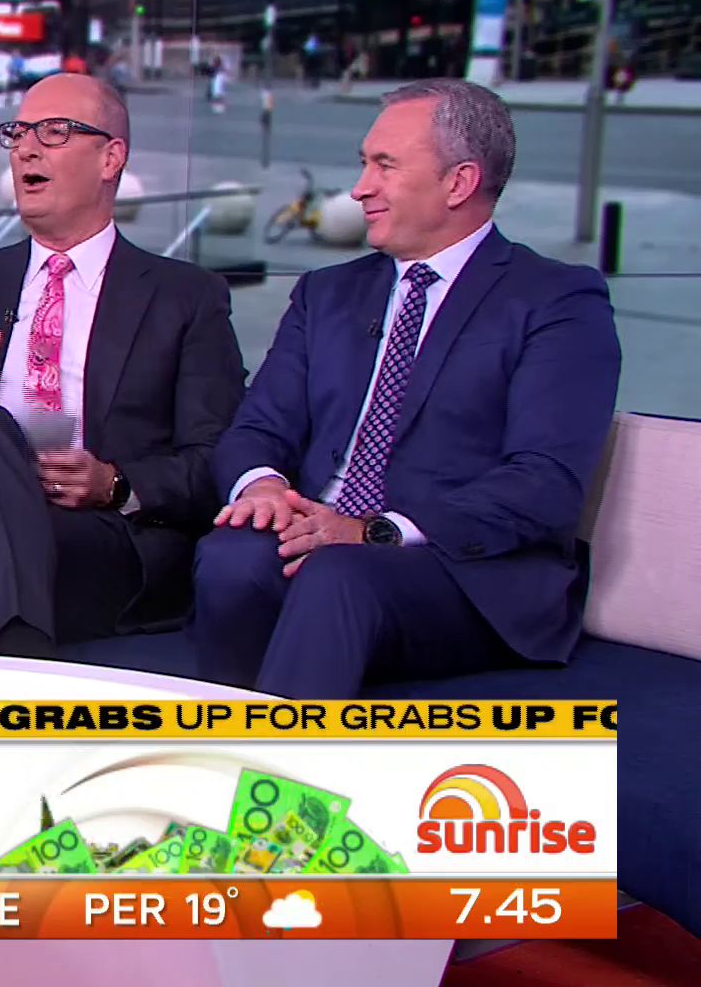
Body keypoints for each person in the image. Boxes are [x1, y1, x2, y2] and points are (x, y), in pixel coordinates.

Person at [187, 80, 622, 699]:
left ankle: (280, 767)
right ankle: (223, 745)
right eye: (364, 164)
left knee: (339, 575)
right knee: (231, 559)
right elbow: (258, 428)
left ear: (459, 182)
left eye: (384, 166)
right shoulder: (326, 294)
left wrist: (376, 529)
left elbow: (544, 480)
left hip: (462, 568)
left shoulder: (555, 300)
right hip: (323, 536)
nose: (360, 188)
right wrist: (264, 488)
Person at [0, 74, 248, 656]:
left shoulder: (185, 297)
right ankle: (17, 661)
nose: (25, 149)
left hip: (91, 536)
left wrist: (115, 483)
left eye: (54, 132)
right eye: (17, 133)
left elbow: (215, 461)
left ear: (111, 158)